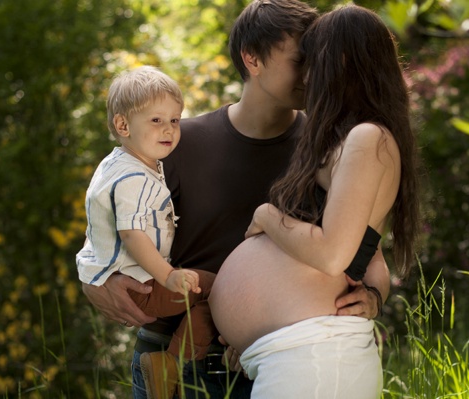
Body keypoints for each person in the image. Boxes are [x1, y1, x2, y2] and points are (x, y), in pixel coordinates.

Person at [81, 1, 385, 398]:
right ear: (252, 58)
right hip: (176, 365)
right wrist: (94, 282)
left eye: (318, 60)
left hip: (278, 360)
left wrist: (374, 296)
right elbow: (107, 220)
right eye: (300, 59)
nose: (312, 73)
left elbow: (370, 251)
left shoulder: (331, 150)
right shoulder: (174, 141)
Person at [209, 4, 421, 399]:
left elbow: (332, 256)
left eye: (311, 60)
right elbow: (366, 251)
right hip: (301, 355)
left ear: (339, 60)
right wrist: (374, 295)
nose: (305, 75)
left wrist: (267, 216)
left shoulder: (367, 138)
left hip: (317, 357)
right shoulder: (345, 140)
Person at [76, 66, 217, 398]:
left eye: (175, 120)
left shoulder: (119, 164)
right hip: (142, 285)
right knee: (218, 291)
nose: (169, 129)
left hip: (129, 278)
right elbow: (131, 234)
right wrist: (168, 276)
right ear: (123, 125)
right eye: (156, 120)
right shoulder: (134, 179)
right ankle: (172, 365)